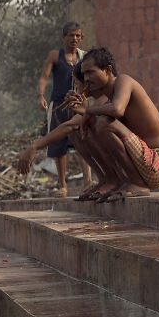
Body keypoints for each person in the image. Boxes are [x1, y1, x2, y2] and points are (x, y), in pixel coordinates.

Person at [60, 47, 159, 202]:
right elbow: (86, 119)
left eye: (90, 72)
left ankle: (137, 184)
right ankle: (110, 180)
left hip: (158, 164)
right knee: (78, 130)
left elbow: (117, 110)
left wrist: (88, 111)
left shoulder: (124, 81)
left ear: (108, 70)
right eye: (84, 74)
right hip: (142, 164)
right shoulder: (108, 98)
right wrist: (83, 109)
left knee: (104, 122)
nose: (86, 79)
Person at [18, 61, 108, 200]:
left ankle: (110, 180)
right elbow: (74, 125)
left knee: (87, 129)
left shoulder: (104, 98)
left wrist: (34, 147)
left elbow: (70, 125)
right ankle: (105, 180)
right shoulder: (92, 101)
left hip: (146, 163)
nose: (77, 88)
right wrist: (81, 110)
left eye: (77, 84)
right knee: (77, 133)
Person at [36, 21, 92, 196]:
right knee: (58, 145)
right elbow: (44, 77)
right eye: (70, 35)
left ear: (81, 38)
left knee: (83, 140)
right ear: (64, 37)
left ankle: (88, 182)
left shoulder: (85, 57)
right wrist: (41, 95)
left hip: (78, 105)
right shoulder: (55, 55)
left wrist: (86, 99)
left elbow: (90, 80)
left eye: (77, 36)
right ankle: (62, 185)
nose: (74, 39)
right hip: (58, 105)